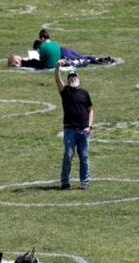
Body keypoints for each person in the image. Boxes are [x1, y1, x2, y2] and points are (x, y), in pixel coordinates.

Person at [55, 62, 93, 190]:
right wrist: (57, 68)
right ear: (68, 80)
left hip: (84, 130)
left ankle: (85, 181)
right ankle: (65, 182)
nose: (73, 79)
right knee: (68, 155)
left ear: (79, 79)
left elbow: (90, 110)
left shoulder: (84, 93)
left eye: (75, 77)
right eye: (70, 78)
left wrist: (90, 126)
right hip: (70, 130)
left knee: (84, 157)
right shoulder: (65, 92)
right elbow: (57, 80)